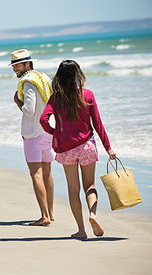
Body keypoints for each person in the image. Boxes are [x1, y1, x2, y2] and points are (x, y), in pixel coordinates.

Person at [40, 60, 116, 240]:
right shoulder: (87, 95)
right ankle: (93, 214)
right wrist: (108, 147)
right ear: (77, 75)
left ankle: (81, 230)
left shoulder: (56, 98)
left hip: (67, 150)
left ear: (59, 76)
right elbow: (98, 124)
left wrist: (55, 132)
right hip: (87, 147)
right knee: (90, 185)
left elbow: (44, 119)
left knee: (73, 190)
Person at [9, 49, 55, 226]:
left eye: (17, 65)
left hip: (32, 135)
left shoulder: (28, 82)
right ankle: (50, 213)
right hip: (47, 131)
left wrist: (17, 102)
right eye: (13, 66)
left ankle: (44, 217)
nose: (15, 69)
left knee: (36, 174)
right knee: (48, 173)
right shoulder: (44, 78)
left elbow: (29, 110)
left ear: (27, 64)